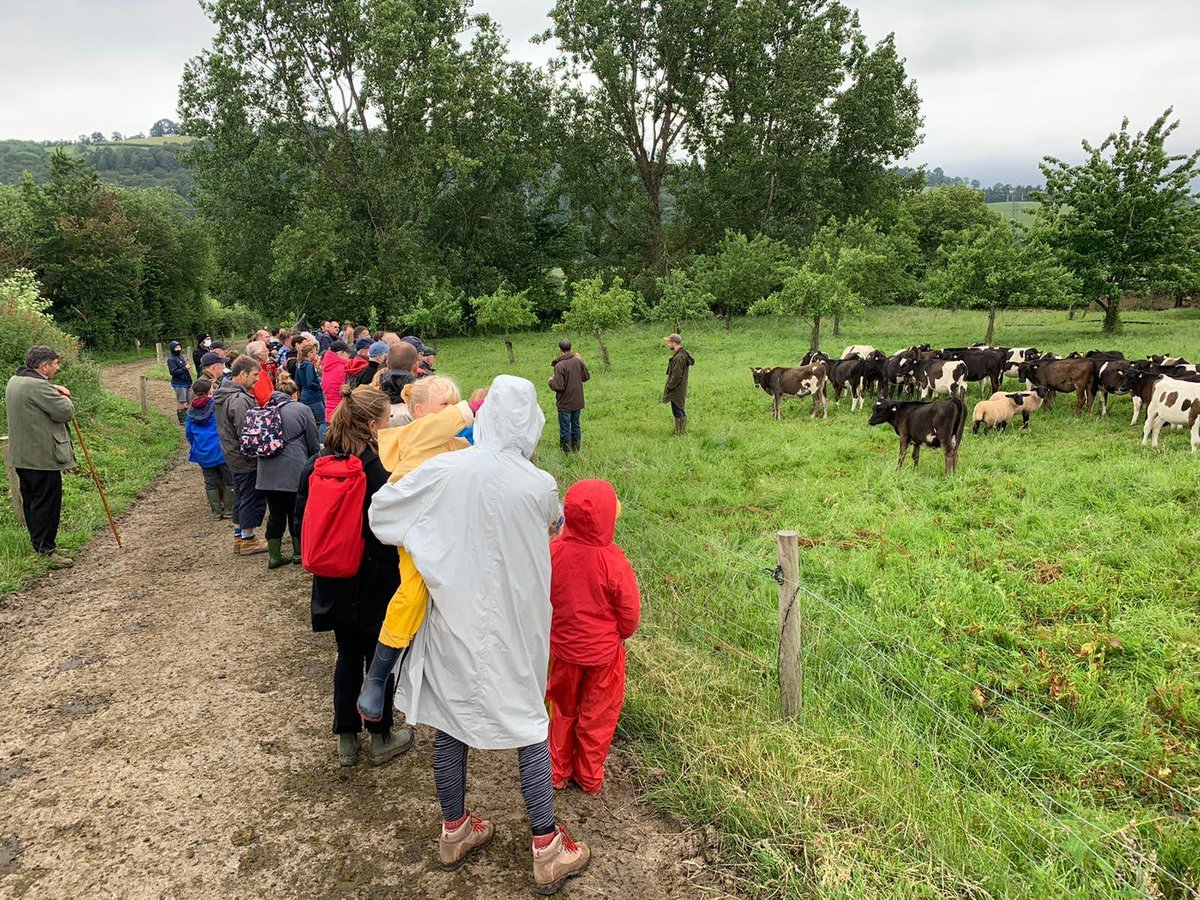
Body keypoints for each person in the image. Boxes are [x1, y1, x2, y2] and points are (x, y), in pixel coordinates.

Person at [368, 376, 590, 892]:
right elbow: (555, 525)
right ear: (531, 422)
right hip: (517, 627)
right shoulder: (539, 484)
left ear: (484, 416)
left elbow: (384, 515)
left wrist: (430, 540)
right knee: (528, 723)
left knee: (451, 718)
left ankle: (454, 829)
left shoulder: (445, 470)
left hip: (452, 618)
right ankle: (547, 846)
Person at [295, 385, 414, 768]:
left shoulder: (315, 465)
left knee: (346, 655)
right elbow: (395, 530)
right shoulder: (380, 471)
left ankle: (346, 738)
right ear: (369, 424)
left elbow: (301, 523)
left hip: (333, 577)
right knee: (380, 658)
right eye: (384, 421)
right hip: (376, 579)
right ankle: (380, 736)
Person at [356, 376, 474, 722]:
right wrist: (471, 408)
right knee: (412, 594)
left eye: (457, 403)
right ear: (420, 412)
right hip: (419, 539)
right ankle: (377, 676)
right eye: (445, 406)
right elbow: (437, 430)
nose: (453, 412)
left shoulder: (457, 446)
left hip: (453, 538)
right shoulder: (412, 439)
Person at [546, 480, 640, 795]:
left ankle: (557, 770)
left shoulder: (553, 551)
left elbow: (540, 596)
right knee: (597, 715)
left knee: (562, 709)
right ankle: (588, 776)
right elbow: (629, 613)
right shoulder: (613, 560)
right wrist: (621, 635)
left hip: (562, 649)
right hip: (603, 656)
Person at [4, 346, 76, 567]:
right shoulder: (37, 387)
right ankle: (47, 550)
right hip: (42, 456)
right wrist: (63, 395)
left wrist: (52, 387)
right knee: (47, 503)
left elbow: (36, 394)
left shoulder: (15, 380)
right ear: (43, 366)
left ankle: (41, 545)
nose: (57, 367)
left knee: (33, 502)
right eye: (54, 364)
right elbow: (66, 412)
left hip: (23, 455)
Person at [256, 372, 319, 569]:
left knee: (275, 513)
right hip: (294, 469)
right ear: (294, 394)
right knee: (295, 512)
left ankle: (274, 557)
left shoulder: (262, 410)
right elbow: (312, 442)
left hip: (266, 470)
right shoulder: (302, 409)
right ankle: (298, 553)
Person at [213, 356, 268, 555]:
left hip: (231, 453)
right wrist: (257, 454)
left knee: (241, 494)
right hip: (244, 456)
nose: (257, 380)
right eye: (255, 375)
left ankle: (239, 535)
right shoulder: (239, 400)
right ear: (242, 374)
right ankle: (248, 539)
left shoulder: (224, 394)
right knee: (250, 496)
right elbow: (248, 432)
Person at [185, 377, 236, 523]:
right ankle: (228, 510)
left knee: (210, 482)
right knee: (229, 480)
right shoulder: (217, 407)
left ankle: (215, 512)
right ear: (210, 391)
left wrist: (197, 445)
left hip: (202, 452)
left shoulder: (190, 412)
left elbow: (189, 434)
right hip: (220, 450)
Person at [548, 339, 590, 453]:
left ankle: (566, 453)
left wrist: (550, 381)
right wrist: (581, 362)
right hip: (577, 401)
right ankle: (576, 450)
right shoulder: (577, 361)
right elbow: (586, 377)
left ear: (559, 349)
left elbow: (558, 386)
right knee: (576, 425)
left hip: (565, 403)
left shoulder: (559, 365)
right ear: (571, 348)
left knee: (565, 427)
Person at [662, 333, 694, 435]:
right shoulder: (682, 355)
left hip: (676, 389)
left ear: (674, 343)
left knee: (678, 411)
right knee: (680, 409)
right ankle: (681, 431)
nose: (668, 344)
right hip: (680, 388)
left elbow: (676, 377)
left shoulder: (678, 358)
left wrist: (669, 387)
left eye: (669, 342)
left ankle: (679, 434)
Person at [294, 342, 324, 432]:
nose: (316, 354)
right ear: (309, 353)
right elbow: (310, 382)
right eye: (314, 352)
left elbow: (297, 381)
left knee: (309, 422)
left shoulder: (299, 365)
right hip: (313, 396)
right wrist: (319, 386)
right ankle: (322, 442)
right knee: (323, 420)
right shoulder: (309, 365)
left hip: (304, 395)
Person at [321, 340, 352, 419]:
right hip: (340, 410)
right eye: (348, 353)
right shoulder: (342, 368)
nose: (349, 356)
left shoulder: (328, 365)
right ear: (341, 353)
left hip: (329, 409)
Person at [167, 340, 194, 425]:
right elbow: (173, 372)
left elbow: (183, 369)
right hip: (179, 383)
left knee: (190, 400)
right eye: (176, 347)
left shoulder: (181, 357)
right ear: (172, 348)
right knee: (181, 401)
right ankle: (182, 420)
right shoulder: (171, 359)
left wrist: (187, 368)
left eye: (179, 347)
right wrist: (185, 368)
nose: (178, 349)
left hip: (187, 382)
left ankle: (189, 417)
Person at [244, 341, 274, 407]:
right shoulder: (258, 373)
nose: (268, 352)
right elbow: (264, 400)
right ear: (259, 355)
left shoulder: (251, 369)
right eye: (265, 350)